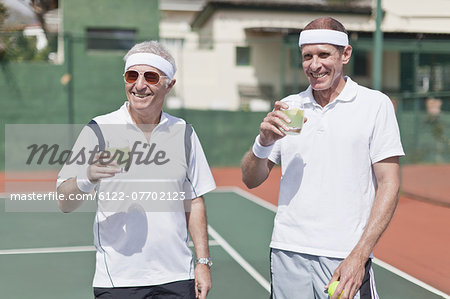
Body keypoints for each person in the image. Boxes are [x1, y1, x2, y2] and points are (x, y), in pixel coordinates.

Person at [241, 17, 404, 299]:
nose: (314, 65)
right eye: (307, 56)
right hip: (287, 252)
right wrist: (263, 142)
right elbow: (251, 179)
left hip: (344, 257)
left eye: (324, 55)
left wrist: (359, 255)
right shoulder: (291, 107)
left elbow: (389, 184)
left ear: (345, 54)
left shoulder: (375, 105)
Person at [57, 41, 216, 299]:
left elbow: (194, 201)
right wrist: (89, 176)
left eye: (151, 76)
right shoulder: (98, 129)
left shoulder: (184, 132)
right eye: (132, 75)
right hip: (117, 281)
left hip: (177, 278)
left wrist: (203, 262)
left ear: (169, 85)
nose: (139, 85)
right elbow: (64, 201)